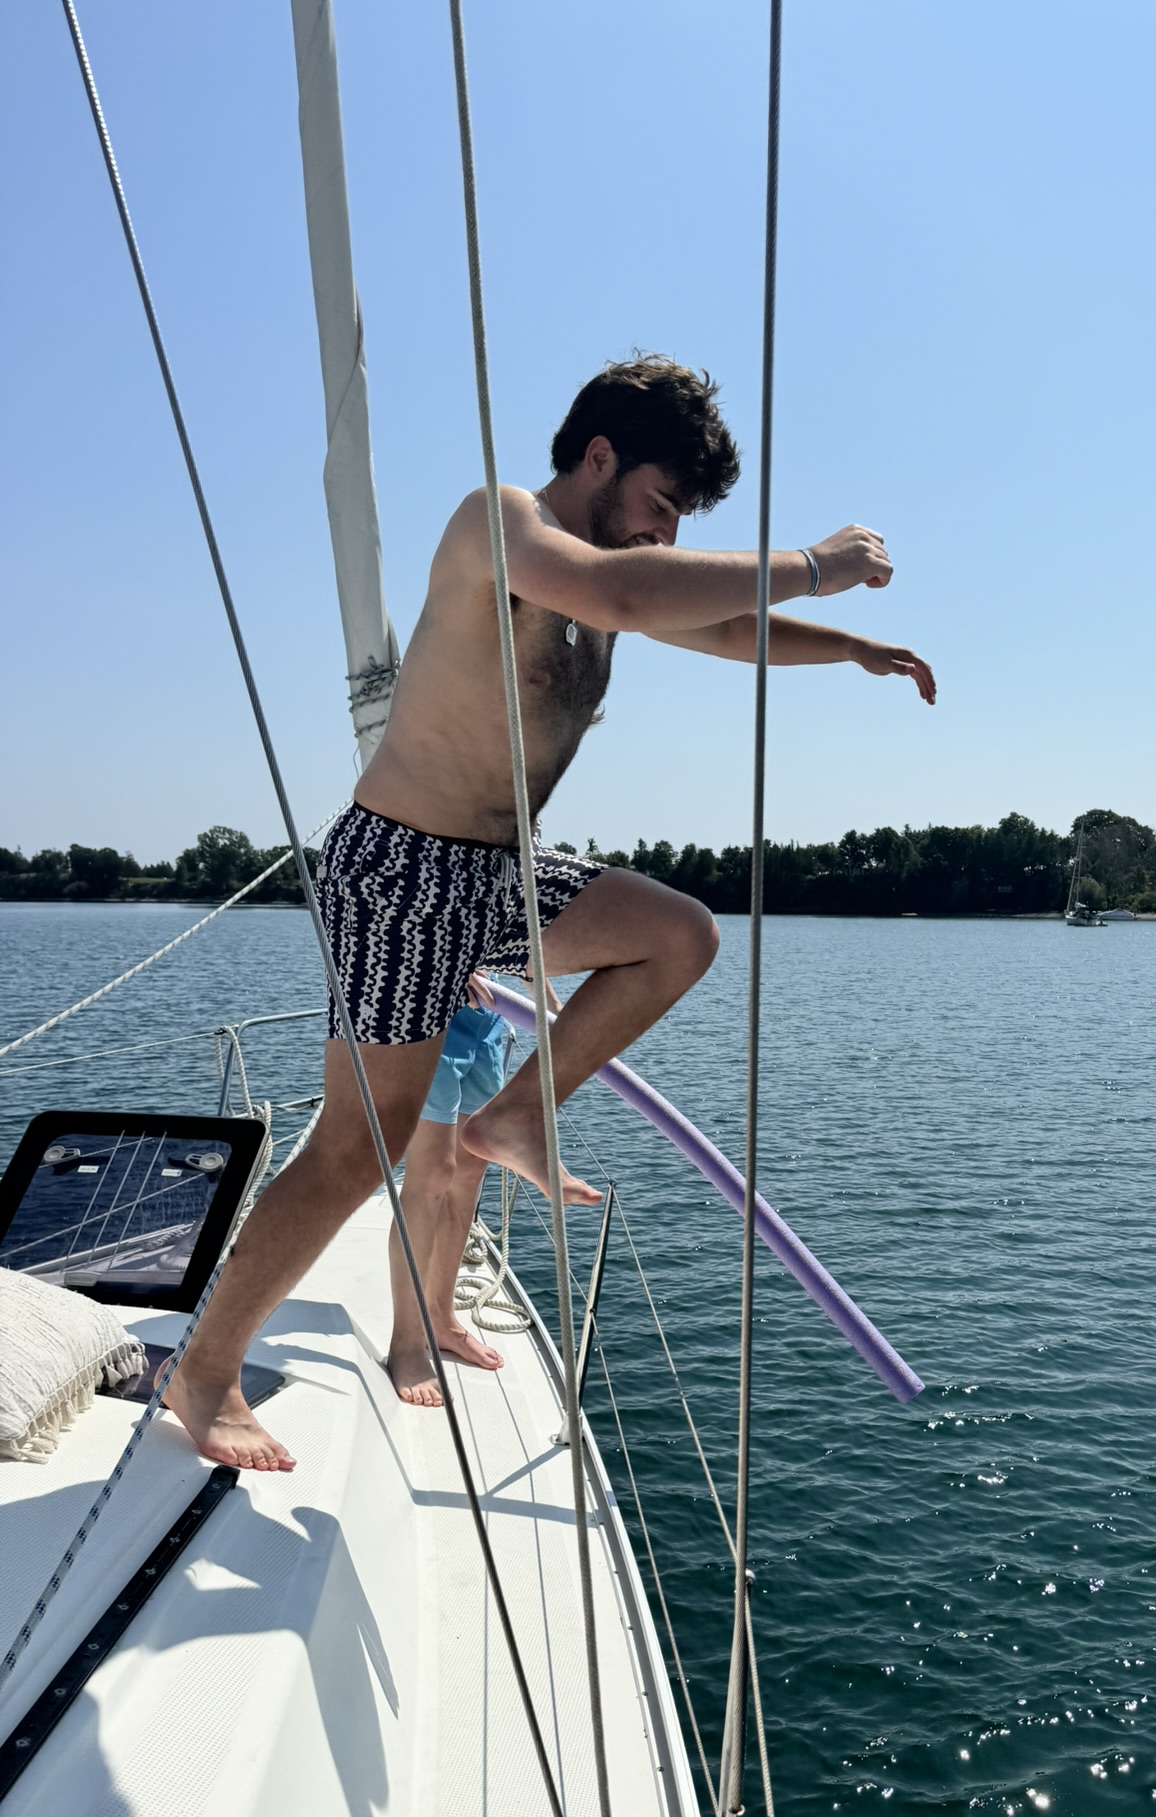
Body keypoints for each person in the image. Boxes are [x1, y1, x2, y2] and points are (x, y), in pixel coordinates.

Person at [165, 353, 936, 1471]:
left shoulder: (618, 575)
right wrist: (815, 564)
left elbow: (724, 627)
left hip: (497, 874)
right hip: (400, 867)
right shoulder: (503, 523)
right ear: (600, 455)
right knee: (355, 1149)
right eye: (662, 504)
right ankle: (205, 1373)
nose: (666, 533)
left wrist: (849, 649)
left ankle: (517, 1116)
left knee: (678, 935)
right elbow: (628, 591)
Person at [384, 978, 510, 1405]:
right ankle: (406, 1342)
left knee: (472, 1167)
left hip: (489, 1014)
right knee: (432, 1173)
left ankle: (440, 1318)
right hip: (430, 1007)